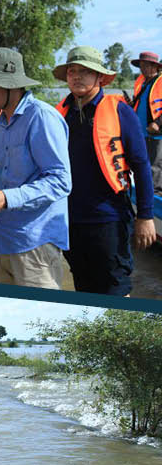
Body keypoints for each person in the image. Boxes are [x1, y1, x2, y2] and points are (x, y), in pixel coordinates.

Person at [0, 48, 72, 288]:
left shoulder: (42, 117)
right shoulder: (0, 125)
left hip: (35, 243)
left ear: (10, 85)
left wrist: (7, 198)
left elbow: (61, 181)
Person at [54, 46, 156, 295]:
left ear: (100, 77)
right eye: (72, 71)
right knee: (83, 286)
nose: (77, 76)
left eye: (85, 71)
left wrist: (145, 216)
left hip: (109, 219)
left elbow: (142, 166)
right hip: (70, 220)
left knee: (115, 287)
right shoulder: (59, 115)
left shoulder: (120, 111)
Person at [129, 51, 162, 188]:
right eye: (142, 65)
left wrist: (157, 123)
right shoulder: (141, 82)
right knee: (141, 162)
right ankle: (143, 190)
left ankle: (156, 194)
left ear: (156, 67)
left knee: (155, 166)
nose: (144, 68)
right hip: (140, 132)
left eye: (148, 65)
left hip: (156, 133)